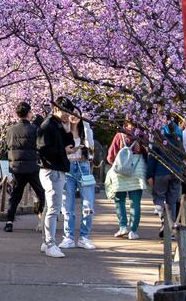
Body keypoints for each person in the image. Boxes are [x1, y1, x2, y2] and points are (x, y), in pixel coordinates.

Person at [37, 95, 77, 257]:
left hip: (57, 169)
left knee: (50, 207)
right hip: (51, 170)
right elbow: (43, 149)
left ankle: (46, 242)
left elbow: (70, 144)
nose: (67, 115)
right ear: (56, 109)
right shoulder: (47, 126)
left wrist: (69, 129)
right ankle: (50, 243)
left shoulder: (59, 125)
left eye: (69, 112)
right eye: (65, 111)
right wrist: (63, 151)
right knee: (54, 209)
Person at [3, 101, 45, 233]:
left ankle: (9, 221)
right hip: (32, 167)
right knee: (42, 193)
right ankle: (44, 220)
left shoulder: (10, 130)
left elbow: (8, 147)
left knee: (15, 195)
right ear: (28, 114)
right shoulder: (35, 129)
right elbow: (40, 146)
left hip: (17, 167)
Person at [60, 106, 98, 250]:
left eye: (77, 114)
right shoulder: (64, 131)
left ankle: (84, 237)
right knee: (67, 205)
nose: (74, 117)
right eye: (71, 114)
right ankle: (68, 237)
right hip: (68, 168)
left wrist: (87, 126)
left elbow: (92, 149)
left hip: (84, 167)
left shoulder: (85, 130)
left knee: (88, 205)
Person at [105, 119, 147, 239]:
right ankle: (133, 231)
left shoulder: (119, 135)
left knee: (120, 201)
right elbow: (148, 153)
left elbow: (110, 156)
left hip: (120, 172)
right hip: (137, 170)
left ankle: (123, 227)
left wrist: (119, 163)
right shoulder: (142, 136)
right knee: (135, 202)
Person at [146, 114, 186, 238]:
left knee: (158, 197)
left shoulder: (158, 132)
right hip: (176, 171)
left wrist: (149, 174)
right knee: (172, 201)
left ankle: (165, 221)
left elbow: (153, 155)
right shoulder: (180, 133)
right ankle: (172, 227)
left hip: (161, 171)